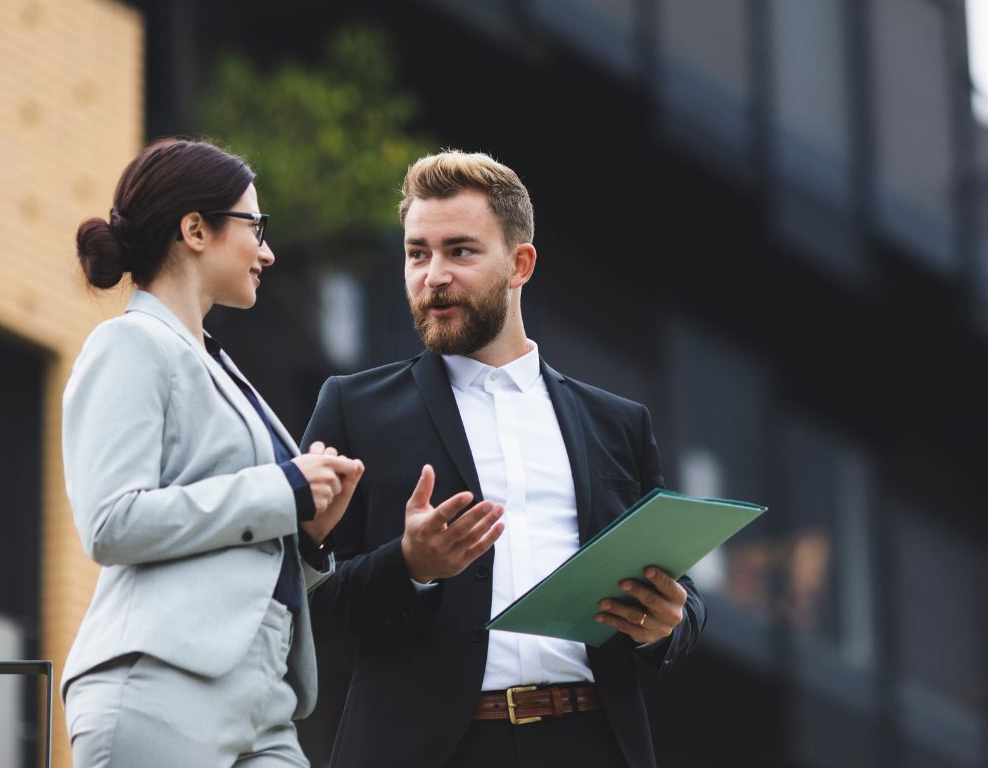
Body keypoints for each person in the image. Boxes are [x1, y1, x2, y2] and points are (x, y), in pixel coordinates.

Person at [302, 150, 706, 767]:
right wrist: (408, 565)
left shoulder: (617, 424)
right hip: (429, 751)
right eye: (417, 253)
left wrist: (669, 622)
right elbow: (299, 601)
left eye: (459, 251)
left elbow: (681, 591)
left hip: (591, 741)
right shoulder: (353, 408)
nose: (433, 275)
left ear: (520, 264)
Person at [61, 138, 363, 768]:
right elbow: (110, 521)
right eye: (256, 226)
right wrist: (283, 491)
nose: (269, 250)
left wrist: (306, 535)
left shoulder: (218, 366)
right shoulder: (129, 344)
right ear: (195, 229)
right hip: (161, 687)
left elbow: (243, 555)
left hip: (266, 704)